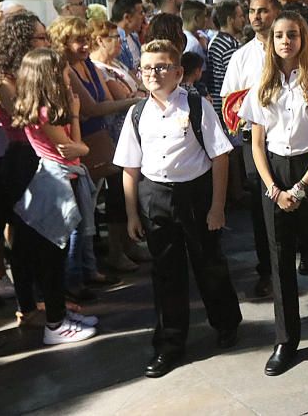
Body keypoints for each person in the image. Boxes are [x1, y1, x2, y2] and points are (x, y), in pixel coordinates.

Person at [114, 39, 241, 377]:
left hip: (195, 195)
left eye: (161, 67)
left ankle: (226, 321)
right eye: (147, 68)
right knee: (166, 273)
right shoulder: (137, 112)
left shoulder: (196, 106)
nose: (153, 74)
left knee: (208, 263)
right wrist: (131, 213)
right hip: (156, 197)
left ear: (178, 72)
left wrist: (217, 206)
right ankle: (170, 344)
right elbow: (130, 167)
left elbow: (220, 157)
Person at [237, 12, 308, 376]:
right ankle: (286, 340)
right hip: (274, 172)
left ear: (304, 40)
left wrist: (301, 187)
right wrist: (273, 189)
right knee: (279, 257)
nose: (286, 41)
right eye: (279, 35)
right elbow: (256, 143)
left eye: (293, 35)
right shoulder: (262, 85)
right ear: (271, 42)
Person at [11, 48, 98, 344]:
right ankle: (55, 324)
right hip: (55, 183)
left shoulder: (46, 108)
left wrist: (79, 145)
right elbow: (72, 148)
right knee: (52, 256)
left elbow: (76, 147)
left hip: (63, 179)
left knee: (55, 256)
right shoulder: (43, 112)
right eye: (62, 71)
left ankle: (59, 315)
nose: (67, 75)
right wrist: (75, 115)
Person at [50, 16, 138, 299]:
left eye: (87, 38)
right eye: (79, 40)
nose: (86, 44)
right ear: (63, 42)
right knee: (83, 214)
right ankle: (82, 274)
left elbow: (101, 104)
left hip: (98, 140)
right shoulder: (64, 67)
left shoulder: (87, 65)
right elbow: (93, 107)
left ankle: (97, 263)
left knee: (101, 203)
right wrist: (136, 101)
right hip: (81, 143)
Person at [0, 13, 50, 302]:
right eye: (40, 38)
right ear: (21, 40)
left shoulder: (29, 71)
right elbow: (26, 116)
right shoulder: (1, 79)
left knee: (43, 234)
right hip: (20, 157)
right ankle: (30, 307)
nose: (47, 43)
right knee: (24, 235)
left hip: (36, 154)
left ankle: (48, 298)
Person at [220, 0, 282, 298]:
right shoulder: (241, 56)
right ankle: (267, 271)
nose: (257, 17)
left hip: (292, 140)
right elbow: (229, 102)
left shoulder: (292, 48)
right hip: (254, 142)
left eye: (263, 11)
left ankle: (307, 256)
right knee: (262, 207)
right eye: (253, 12)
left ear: (277, 13)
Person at [88, 18, 149, 273]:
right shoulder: (100, 68)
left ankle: (128, 243)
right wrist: (136, 97)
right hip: (114, 135)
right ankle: (116, 250)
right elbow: (124, 96)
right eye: (114, 38)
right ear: (100, 40)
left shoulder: (115, 63)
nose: (120, 42)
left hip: (131, 131)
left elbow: (138, 86)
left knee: (127, 191)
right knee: (115, 194)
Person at [207, 0, 244, 120]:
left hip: (221, 108)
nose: (244, 20)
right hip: (230, 110)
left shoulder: (217, 40)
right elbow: (236, 80)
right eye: (240, 16)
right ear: (230, 20)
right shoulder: (229, 45)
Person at [110, 0, 144, 72]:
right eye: (140, 13)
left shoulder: (134, 37)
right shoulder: (113, 42)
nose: (143, 16)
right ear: (127, 18)